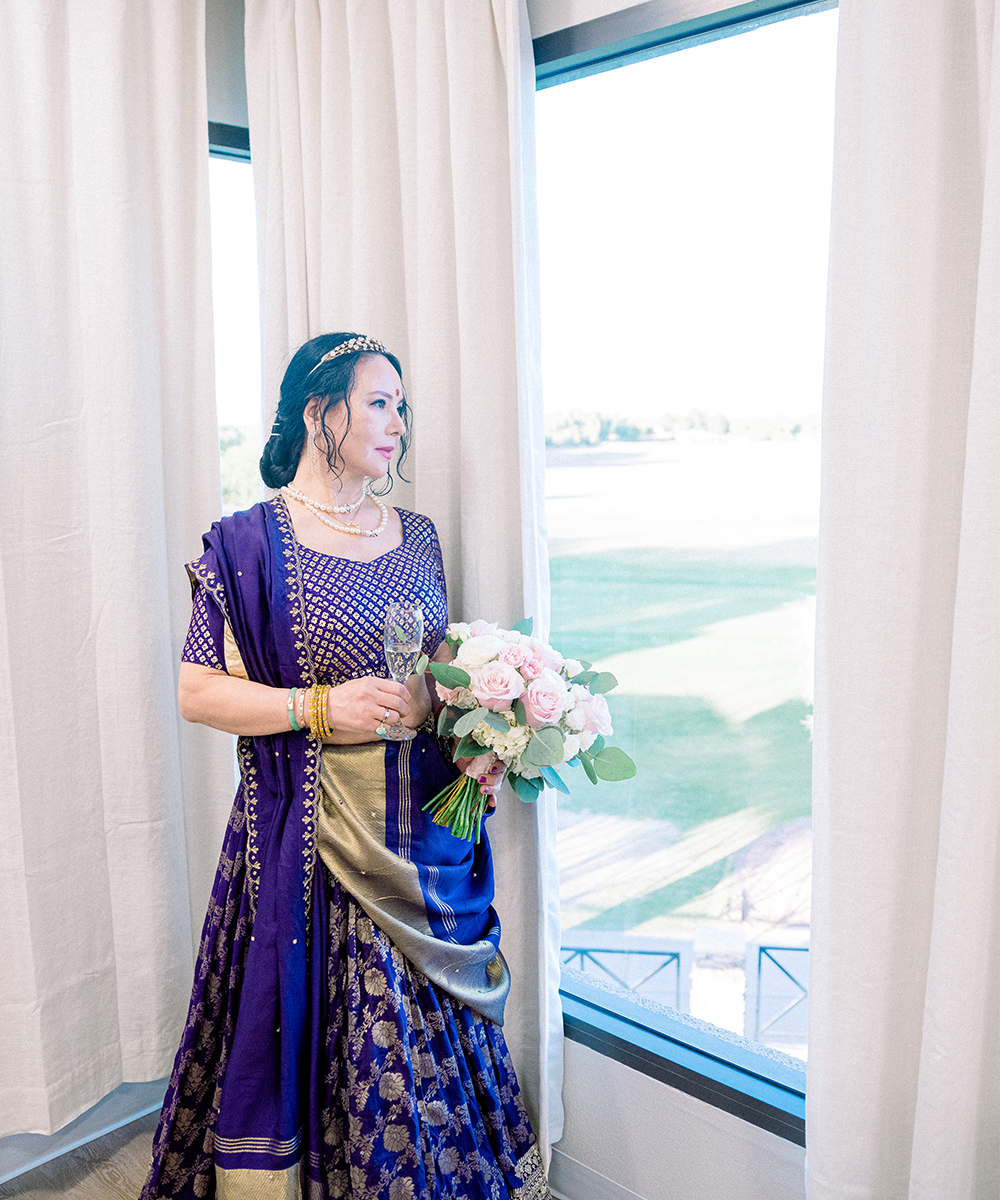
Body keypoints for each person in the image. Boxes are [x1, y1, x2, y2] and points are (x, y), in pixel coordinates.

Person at [140, 333, 549, 1200]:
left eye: (402, 405)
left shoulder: (420, 534)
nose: (398, 423)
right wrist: (319, 708)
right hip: (309, 839)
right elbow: (197, 691)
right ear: (320, 413)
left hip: (423, 841)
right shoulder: (249, 543)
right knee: (339, 1034)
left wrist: (462, 717)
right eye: (379, 402)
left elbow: (430, 668)